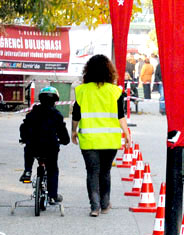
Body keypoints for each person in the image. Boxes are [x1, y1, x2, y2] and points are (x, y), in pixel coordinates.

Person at [71, 54, 131, 217]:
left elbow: (76, 114)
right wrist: (127, 134)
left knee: (92, 172)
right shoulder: (115, 91)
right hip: (110, 140)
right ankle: (105, 204)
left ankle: (94, 207)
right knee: (105, 172)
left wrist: (73, 131)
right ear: (109, 72)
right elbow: (121, 115)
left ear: (87, 71)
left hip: (89, 140)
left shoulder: (82, 91)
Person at [19, 87, 70, 204]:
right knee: (52, 169)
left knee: (28, 149)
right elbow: (62, 131)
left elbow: (24, 127)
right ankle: (52, 195)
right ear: (56, 100)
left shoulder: (33, 113)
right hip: (50, 147)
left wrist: (24, 138)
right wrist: (65, 140)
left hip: (34, 146)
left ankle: (27, 171)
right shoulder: (56, 115)